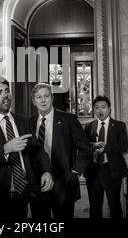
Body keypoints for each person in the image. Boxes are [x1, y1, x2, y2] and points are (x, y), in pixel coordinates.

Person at [0, 79, 54, 218]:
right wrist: (5, 149)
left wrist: (46, 171)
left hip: (23, 193)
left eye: (7, 91)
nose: (5, 95)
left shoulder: (23, 121)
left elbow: (38, 151)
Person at [29, 83, 91, 218]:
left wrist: (74, 172)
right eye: (38, 97)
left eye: (46, 96)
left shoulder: (69, 119)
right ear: (34, 101)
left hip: (64, 183)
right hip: (38, 184)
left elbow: (86, 149)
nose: (43, 100)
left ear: (52, 98)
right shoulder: (29, 123)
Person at [84, 95, 128, 218]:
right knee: (94, 207)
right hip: (93, 170)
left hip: (112, 170)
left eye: (103, 107)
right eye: (97, 108)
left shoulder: (119, 125)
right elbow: (83, 145)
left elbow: (124, 146)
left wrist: (106, 148)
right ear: (94, 110)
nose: (100, 110)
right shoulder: (89, 126)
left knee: (114, 205)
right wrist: (93, 146)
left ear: (109, 109)